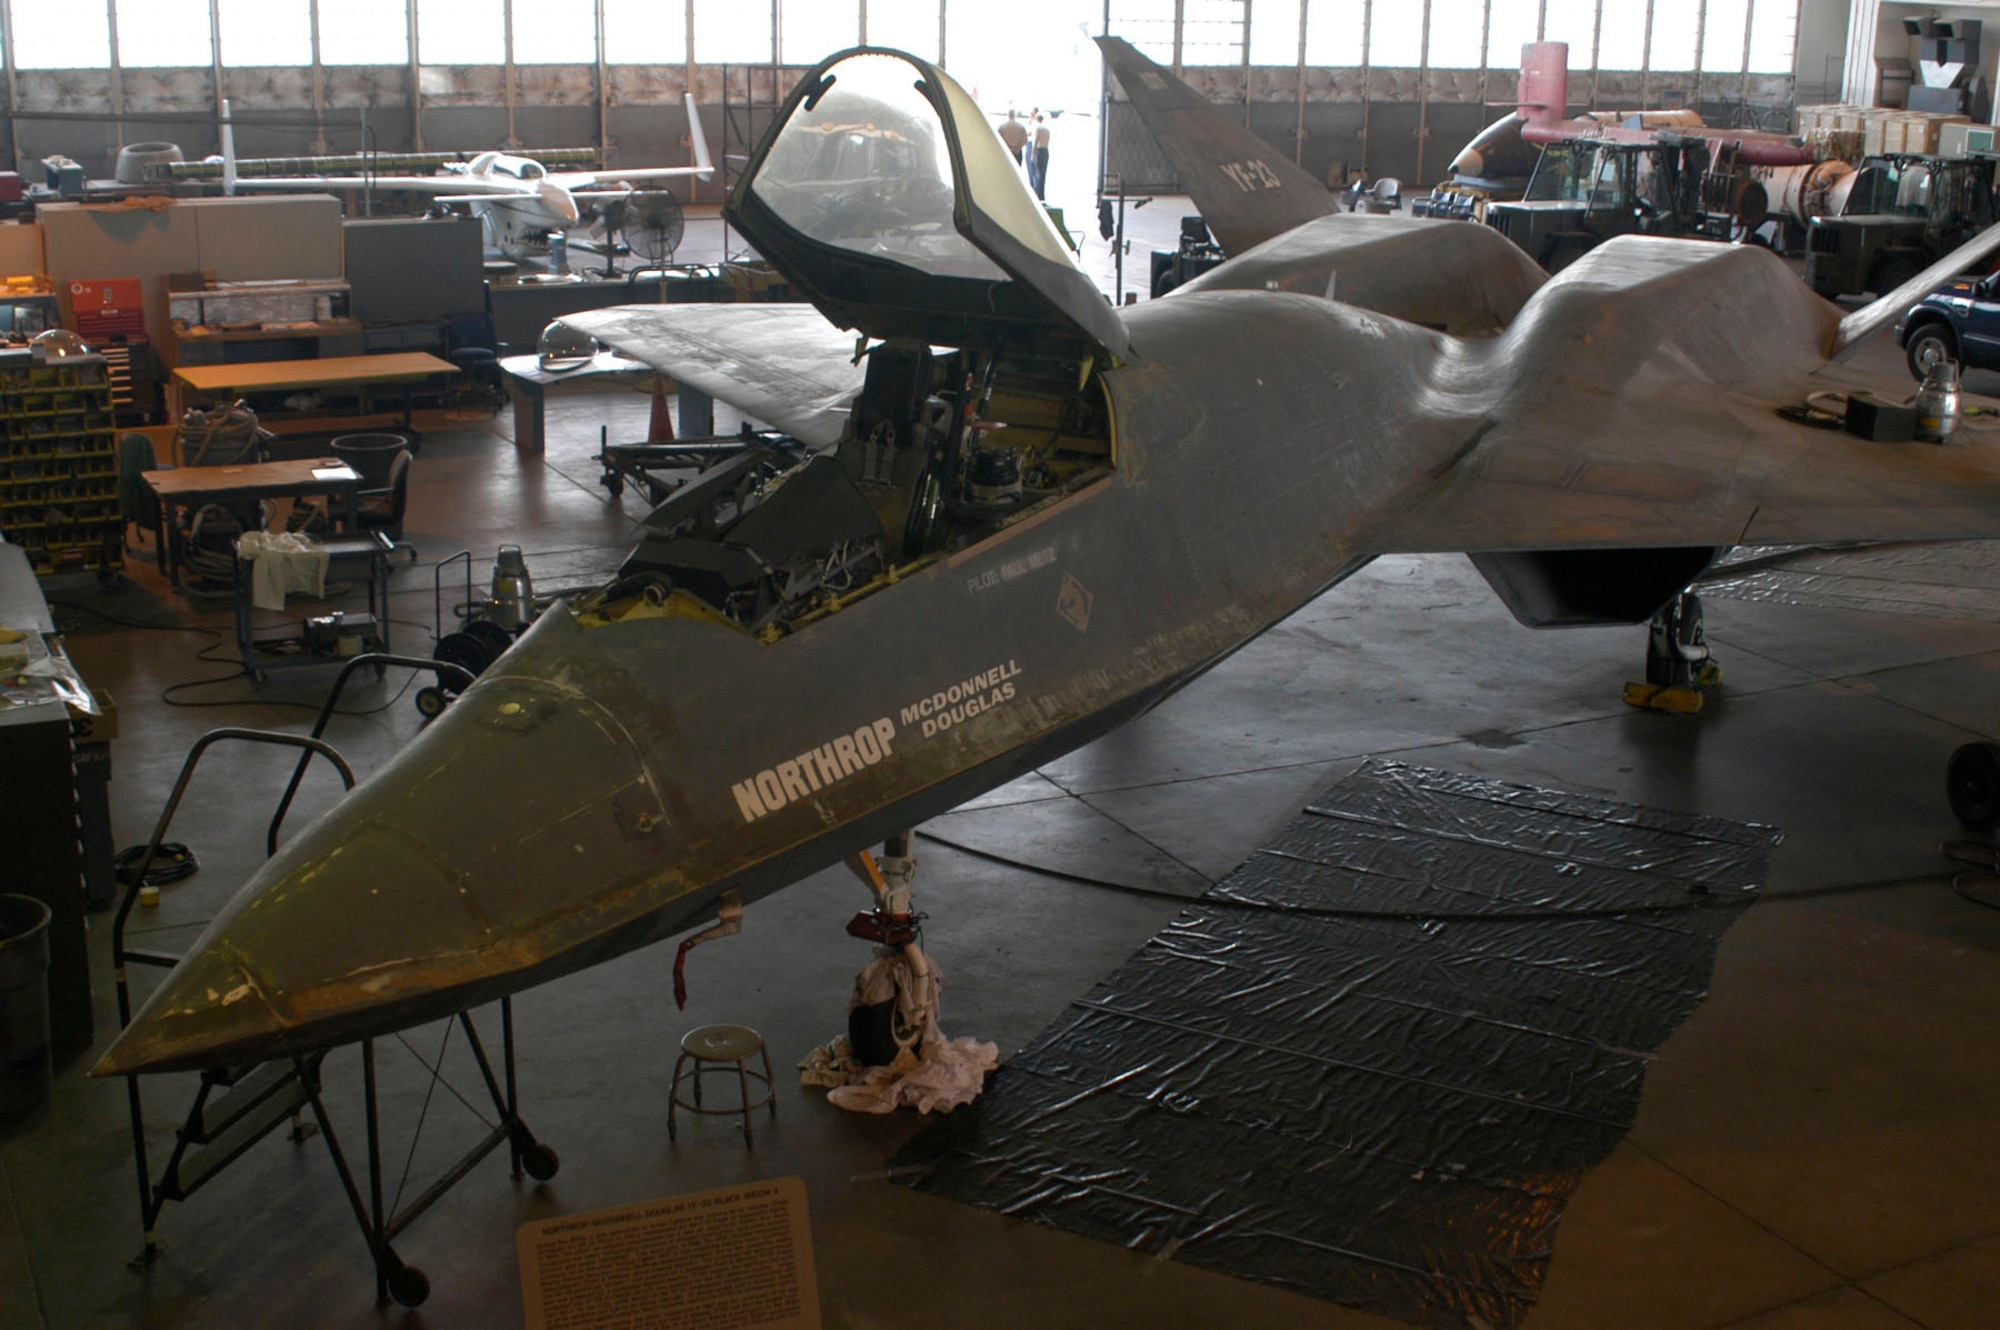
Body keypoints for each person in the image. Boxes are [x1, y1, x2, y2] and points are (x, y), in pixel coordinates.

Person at [1029, 113, 1051, 200]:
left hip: (1039, 150)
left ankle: (1037, 193)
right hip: (1045, 150)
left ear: (1036, 119)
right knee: (1043, 173)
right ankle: (1042, 193)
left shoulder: (1037, 128)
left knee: (1037, 173)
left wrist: (1032, 154)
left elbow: (1036, 140)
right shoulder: (1046, 129)